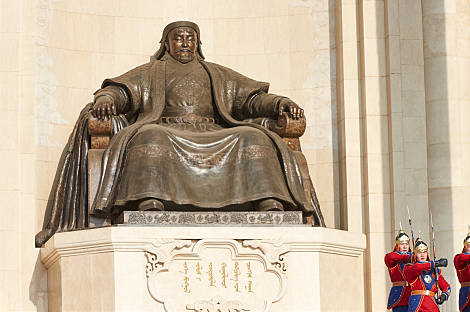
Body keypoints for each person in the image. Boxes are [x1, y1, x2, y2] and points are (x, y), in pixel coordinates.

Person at [36, 21, 319, 247]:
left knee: (253, 137)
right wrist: (105, 100)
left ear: (197, 44)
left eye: (190, 38)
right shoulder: (152, 71)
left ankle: (268, 201)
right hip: (167, 128)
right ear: (166, 44)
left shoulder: (216, 73)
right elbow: (121, 91)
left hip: (214, 129)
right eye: (178, 38)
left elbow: (252, 99)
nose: (185, 43)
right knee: (151, 137)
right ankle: (150, 202)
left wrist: (281, 103)